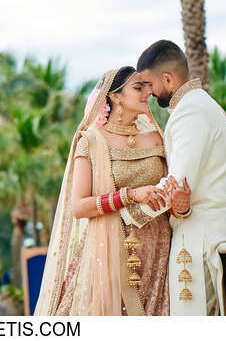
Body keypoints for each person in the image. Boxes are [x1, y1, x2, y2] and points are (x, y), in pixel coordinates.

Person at [34, 66, 190, 316]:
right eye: (138, 88)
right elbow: (79, 206)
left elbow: (168, 194)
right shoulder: (92, 141)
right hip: (109, 253)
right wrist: (128, 195)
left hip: (158, 252)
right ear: (115, 96)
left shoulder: (156, 138)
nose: (146, 94)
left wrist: (181, 206)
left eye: (147, 88)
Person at [136, 40, 226, 316]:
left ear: (167, 78)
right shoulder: (204, 105)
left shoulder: (190, 111)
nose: (149, 92)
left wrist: (128, 213)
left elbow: (176, 185)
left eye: (149, 84)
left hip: (198, 236)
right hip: (209, 229)